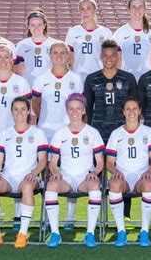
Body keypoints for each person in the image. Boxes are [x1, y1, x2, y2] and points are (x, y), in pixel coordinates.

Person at [0, 97, 48, 248]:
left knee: (27, 187)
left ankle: (22, 233)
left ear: (28, 111)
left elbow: (43, 161)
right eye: (16, 109)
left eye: (22, 109)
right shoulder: (5, 134)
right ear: (12, 112)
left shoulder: (38, 133)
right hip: (8, 176)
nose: (19, 112)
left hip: (28, 175)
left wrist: (34, 173)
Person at [45, 93, 105, 248]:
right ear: (67, 111)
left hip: (85, 177)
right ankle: (55, 233)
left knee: (94, 187)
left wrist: (94, 173)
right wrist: (54, 172)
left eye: (78, 108)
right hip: (66, 177)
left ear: (84, 110)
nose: (74, 112)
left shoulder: (92, 132)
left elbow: (100, 162)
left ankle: (90, 233)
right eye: (71, 108)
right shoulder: (60, 133)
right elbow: (52, 162)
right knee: (51, 186)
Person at [105, 97, 151, 247]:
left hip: (141, 175)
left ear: (140, 111)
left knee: (149, 184)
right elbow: (109, 162)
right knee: (114, 184)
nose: (131, 112)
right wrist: (115, 171)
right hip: (123, 176)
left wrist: (149, 171)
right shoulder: (116, 134)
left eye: (135, 108)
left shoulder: (148, 131)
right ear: (123, 111)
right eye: (128, 109)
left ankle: (144, 232)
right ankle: (121, 231)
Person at [84, 39, 137, 143]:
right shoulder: (91, 79)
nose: (109, 59)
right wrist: (89, 130)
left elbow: (134, 107)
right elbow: (88, 108)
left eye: (112, 55)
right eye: (105, 55)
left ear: (117, 56)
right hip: (98, 130)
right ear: (100, 56)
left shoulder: (128, 78)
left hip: (122, 129)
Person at [32, 41, 84, 141]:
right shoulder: (40, 79)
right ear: (50, 55)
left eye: (62, 53)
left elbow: (81, 106)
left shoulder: (76, 79)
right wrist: (45, 119)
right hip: (45, 129)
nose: (59, 56)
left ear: (68, 55)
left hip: (69, 127)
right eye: (55, 53)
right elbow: (35, 104)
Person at [113, 0, 151, 80]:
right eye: (134, 7)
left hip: (147, 77)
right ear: (128, 10)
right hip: (126, 78)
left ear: (145, 9)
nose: (137, 10)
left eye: (140, 7)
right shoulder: (120, 32)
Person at [66, 0, 113, 80]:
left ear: (95, 10)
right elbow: (69, 58)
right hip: (78, 77)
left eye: (89, 8)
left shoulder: (105, 32)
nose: (85, 12)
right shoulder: (73, 31)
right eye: (82, 9)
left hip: (99, 77)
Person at [15, 8, 57, 87]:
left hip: (49, 86)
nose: (36, 28)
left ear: (44, 25)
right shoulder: (22, 45)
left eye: (39, 25)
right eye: (33, 25)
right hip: (28, 86)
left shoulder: (53, 44)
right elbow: (18, 69)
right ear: (28, 26)